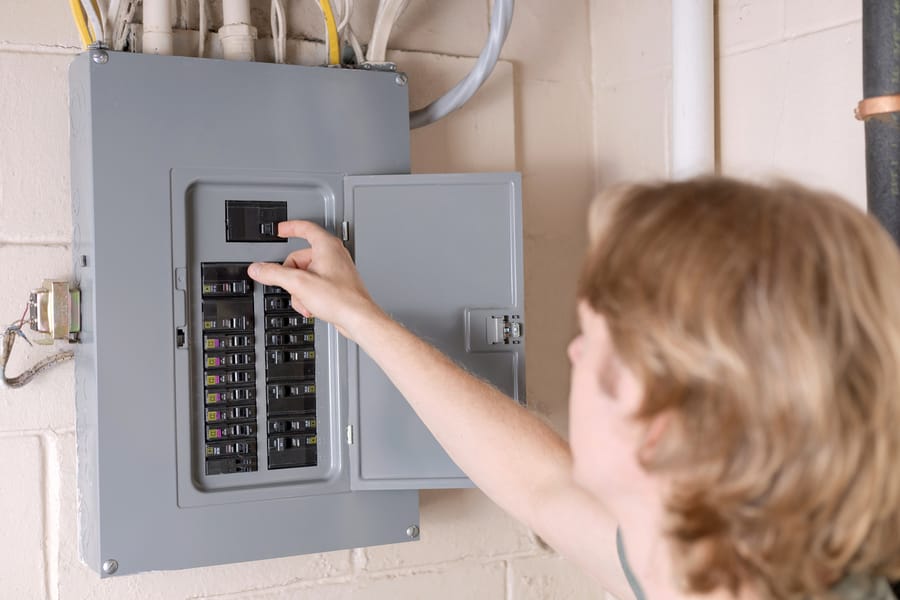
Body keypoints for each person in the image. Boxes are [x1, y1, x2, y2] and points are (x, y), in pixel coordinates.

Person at [247, 177, 900, 600]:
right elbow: (541, 484)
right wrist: (359, 317)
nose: (574, 351)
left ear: (666, 426)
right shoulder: (706, 564)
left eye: (595, 338)